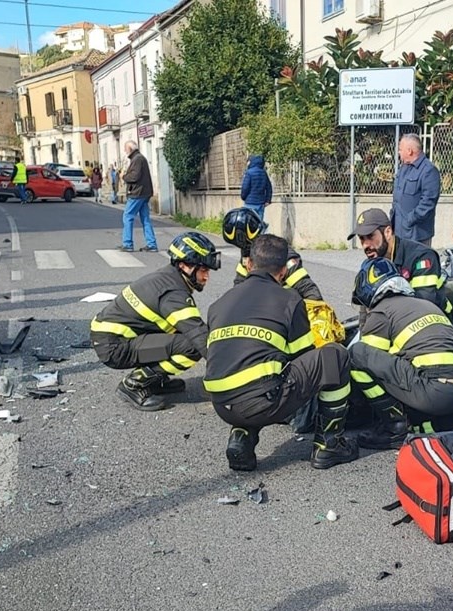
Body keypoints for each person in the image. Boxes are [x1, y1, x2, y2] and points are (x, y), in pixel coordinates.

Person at [204, 233, 358, 472]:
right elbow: (304, 356)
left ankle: (242, 437)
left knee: (253, 368)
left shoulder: (222, 302)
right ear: (284, 271)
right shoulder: (290, 300)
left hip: (221, 405)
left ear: (248, 264)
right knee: (334, 357)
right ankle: (329, 446)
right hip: (261, 403)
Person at [348, 258, 453, 449]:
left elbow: (371, 361)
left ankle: (394, 427)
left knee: (357, 353)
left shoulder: (382, 312)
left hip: (433, 394)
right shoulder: (425, 305)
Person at [90, 232, 221, 412]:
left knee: (179, 332)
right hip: (115, 347)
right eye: (204, 270)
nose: (206, 277)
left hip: (115, 338)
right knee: (191, 346)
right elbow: (200, 337)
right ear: (185, 266)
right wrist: (230, 371)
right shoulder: (173, 294)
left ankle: (155, 380)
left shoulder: (169, 276)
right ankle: (135, 384)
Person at [349, 208, 447, 312]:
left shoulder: (422, 257)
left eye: (370, 236)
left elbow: (423, 306)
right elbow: (366, 309)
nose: (365, 245)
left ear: (387, 232)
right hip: (400, 319)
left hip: (436, 322)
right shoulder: (375, 262)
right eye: (362, 238)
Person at [223, 207, 322, 300]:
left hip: (286, 309)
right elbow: (239, 287)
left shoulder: (282, 254)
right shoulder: (247, 256)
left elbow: (310, 292)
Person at [391, 134, 441, 245]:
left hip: (417, 234)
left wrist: (409, 220)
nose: (399, 152)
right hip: (399, 232)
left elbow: (428, 203)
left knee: (418, 262)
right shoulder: (403, 169)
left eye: (400, 149)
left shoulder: (429, 171)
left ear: (409, 151)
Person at [122, 139, 157, 252]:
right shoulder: (141, 158)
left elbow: (134, 177)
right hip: (145, 193)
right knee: (145, 219)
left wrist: (124, 176)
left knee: (127, 216)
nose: (125, 151)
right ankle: (152, 244)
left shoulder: (137, 159)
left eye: (125, 149)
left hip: (137, 193)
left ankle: (128, 244)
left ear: (130, 149)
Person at [240, 155, 272, 221]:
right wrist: (268, 200)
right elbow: (269, 187)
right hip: (261, 203)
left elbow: (245, 188)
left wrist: (243, 197)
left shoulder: (249, 173)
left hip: (250, 203)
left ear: (251, 162)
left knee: (249, 224)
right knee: (259, 224)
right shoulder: (264, 173)